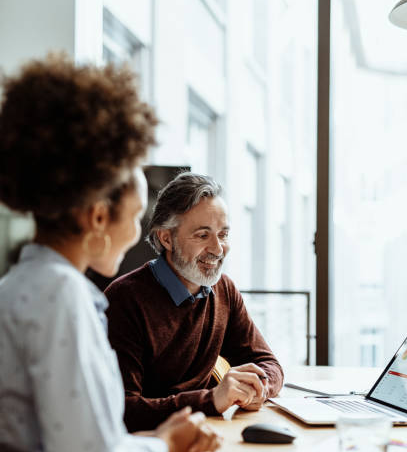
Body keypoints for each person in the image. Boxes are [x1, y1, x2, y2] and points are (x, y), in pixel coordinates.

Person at [0, 56, 221, 452]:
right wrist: (165, 445)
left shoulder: (18, 286)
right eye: (138, 214)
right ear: (99, 219)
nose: (142, 231)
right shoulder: (62, 299)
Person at [105, 172, 284, 432]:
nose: (218, 248)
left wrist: (258, 387)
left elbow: (269, 364)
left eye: (223, 234)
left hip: (210, 440)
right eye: (203, 236)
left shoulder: (224, 289)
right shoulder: (124, 300)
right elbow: (124, 410)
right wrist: (212, 400)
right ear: (166, 238)